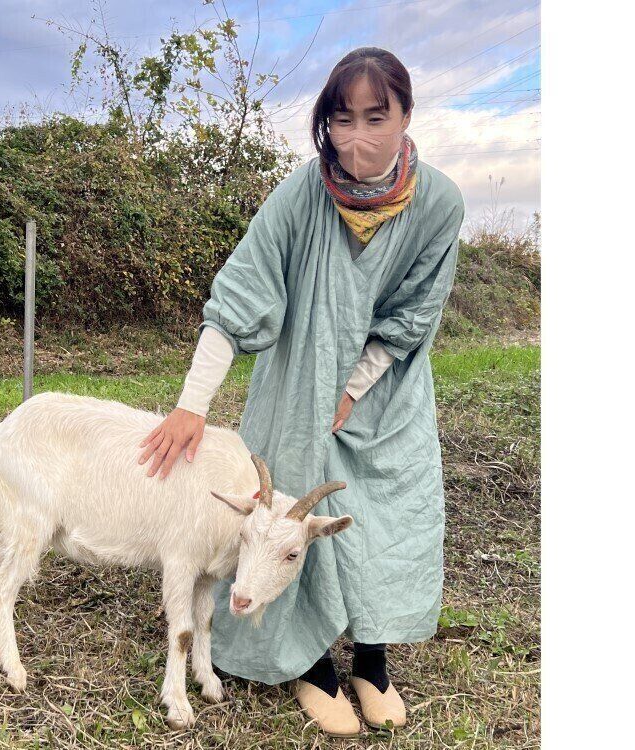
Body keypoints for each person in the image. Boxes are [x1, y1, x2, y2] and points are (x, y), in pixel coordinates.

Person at [136, 46, 465, 736]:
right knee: (285, 519)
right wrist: (192, 404)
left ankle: (372, 660)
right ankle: (308, 661)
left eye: (376, 118)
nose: (356, 139)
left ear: (406, 115)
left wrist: (355, 387)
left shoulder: (439, 203)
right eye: (342, 120)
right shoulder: (300, 195)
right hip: (298, 384)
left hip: (388, 388)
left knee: (385, 516)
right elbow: (239, 293)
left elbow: (415, 313)